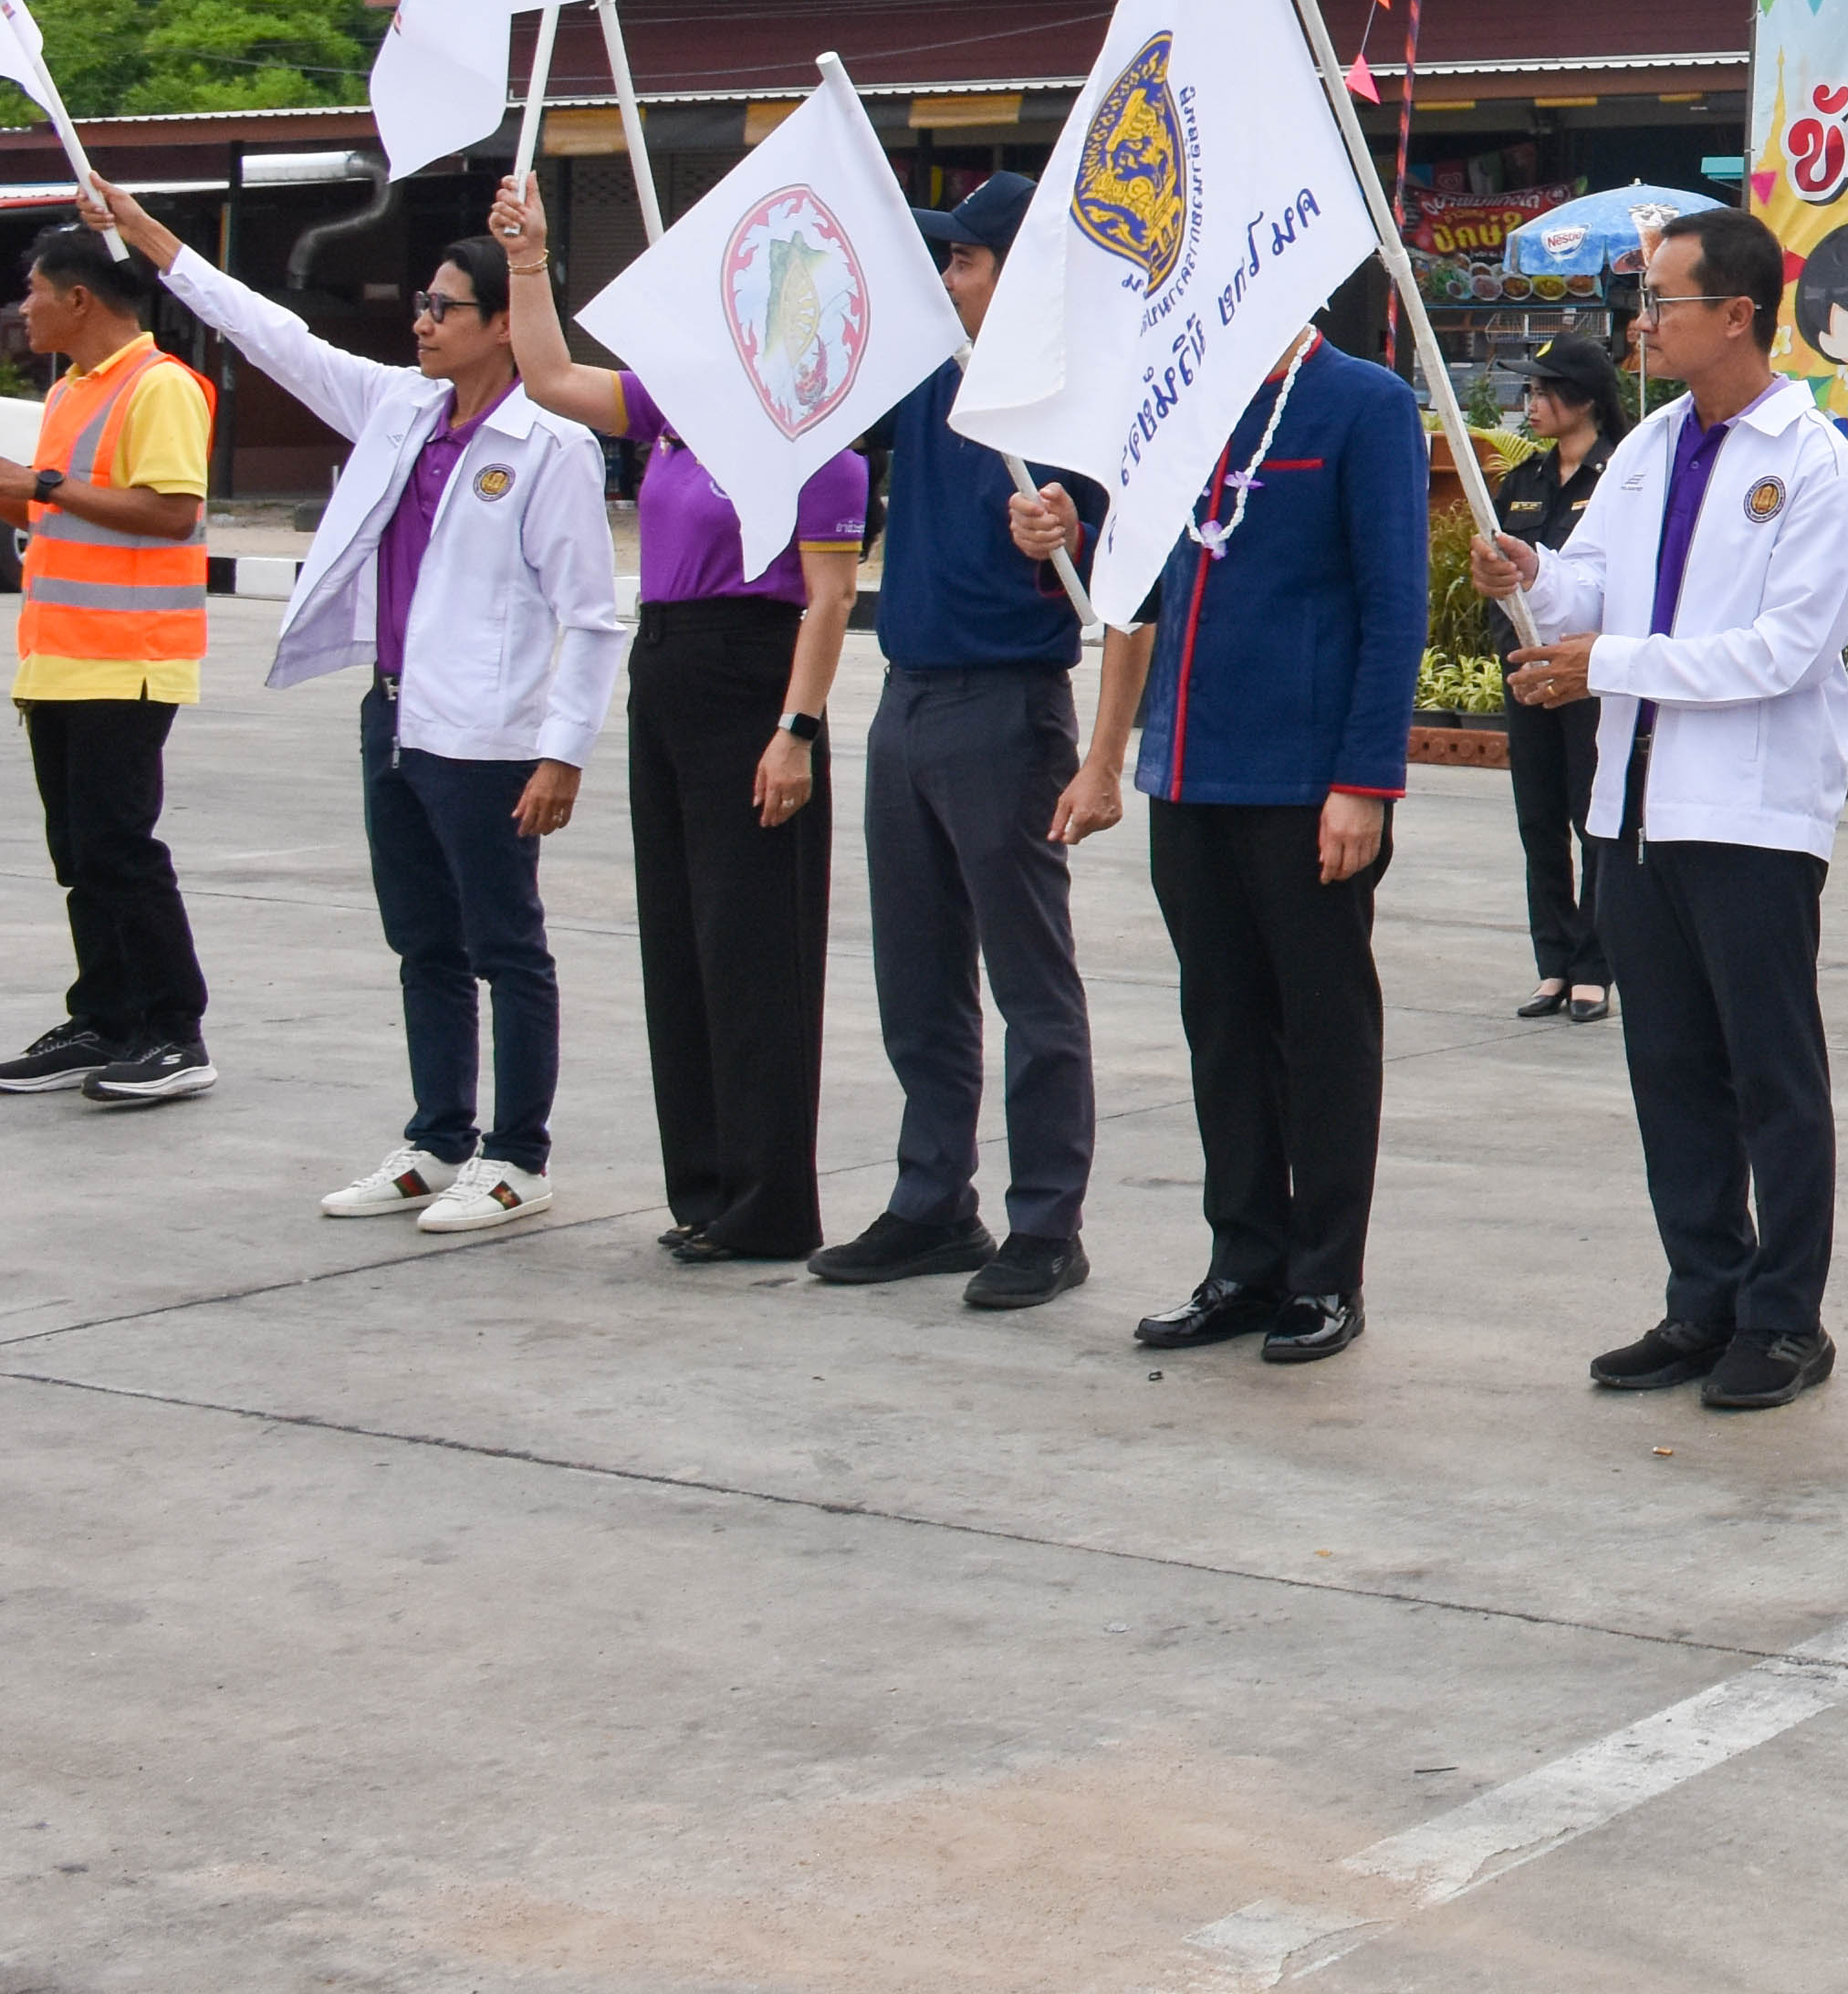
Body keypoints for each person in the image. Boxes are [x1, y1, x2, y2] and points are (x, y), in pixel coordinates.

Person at [91, 179, 620, 1231]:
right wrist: (147, 235)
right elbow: (272, 334)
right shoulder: (400, 409)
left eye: (443, 307)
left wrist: (562, 752)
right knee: (423, 941)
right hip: (394, 715)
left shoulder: (549, 443)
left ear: (502, 324)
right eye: (420, 303)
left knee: (505, 946)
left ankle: (519, 1156)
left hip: (489, 735)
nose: (421, 322)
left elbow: (593, 615)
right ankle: (438, 1137)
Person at [1478, 206, 1848, 1415]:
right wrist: (1534, 576)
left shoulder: (1817, 467)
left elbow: (1782, 651)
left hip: (1749, 817)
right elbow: (1593, 586)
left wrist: (1605, 662)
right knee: (1669, 1071)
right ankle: (1703, 1294)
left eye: (1661, 301)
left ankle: (1785, 1314)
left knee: (1770, 1075)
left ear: (1737, 314)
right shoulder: (1652, 445)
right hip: (1634, 808)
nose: (1642, 324)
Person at [489, 177, 870, 1268]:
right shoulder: (680, 408)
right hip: (666, 661)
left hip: (754, 676)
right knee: (683, 938)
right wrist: (528, 260)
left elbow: (831, 600)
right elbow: (550, 377)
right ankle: (705, 1185)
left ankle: (770, 1202)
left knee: (754, 948)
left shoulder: (816, 446)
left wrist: (796, 729)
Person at [1045, 321, 1425, 1365]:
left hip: (1305, 781)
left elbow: (1396, 603)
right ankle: (1244, 1260)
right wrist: (1070, 534)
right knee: (1222, 1027)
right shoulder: (1184, 401)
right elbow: (1142, 584)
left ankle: (1325, 1275)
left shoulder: (1364, 403)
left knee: (1322, 1030)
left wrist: (1364, 781)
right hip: (1191, 769)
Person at [810, 173, 1108, 1308]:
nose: (946, 279)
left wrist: (1070, 522)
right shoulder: (937, 374)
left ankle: (1047, 1222)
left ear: (1016, 271)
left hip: (1006, 705)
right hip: (907, 695)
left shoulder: (1070, 393)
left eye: (964, 260)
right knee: (917, 972)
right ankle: (933, 1198)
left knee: (1029, 978)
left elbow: (1114, 539)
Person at [3, 226, 220, 1107]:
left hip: (127, 660)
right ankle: (105, 1017)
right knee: (80, 855)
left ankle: (175, 1032)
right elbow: (63, 512)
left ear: (79, 298)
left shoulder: (158, 385)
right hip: (58, 659)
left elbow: (171, 513)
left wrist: (38, 486)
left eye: (33, 289)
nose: (23, 307)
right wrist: (25, 494)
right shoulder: (70, 389)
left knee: (120, 850)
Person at [1491, 335, 1620, 1024]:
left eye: (1545, 390)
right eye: (1530, 391)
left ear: (1586, 398)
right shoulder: (1523, 480)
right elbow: (1497, 571)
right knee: (1538, 819)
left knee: (1591, 814)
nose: (1532, 403)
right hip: (1527, 669)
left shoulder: (1619, 475)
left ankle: (1595, 966)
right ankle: (1553, 960)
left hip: (1590, 673)